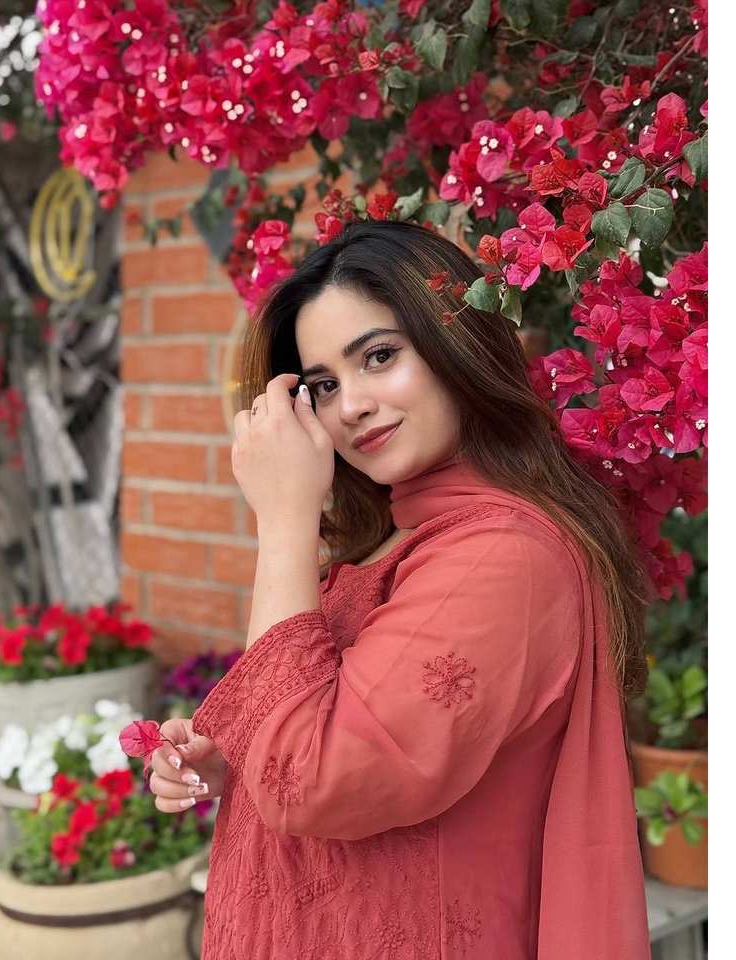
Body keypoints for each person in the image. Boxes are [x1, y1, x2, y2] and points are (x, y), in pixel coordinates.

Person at [148, 220, 653, 959]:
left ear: (457, 345)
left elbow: (308, 779)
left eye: (379, 356)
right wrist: (238, 756)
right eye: (324, 385)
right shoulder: (400, 537)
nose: (350, 405)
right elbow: (342, 737)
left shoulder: (501, 555)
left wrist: (284, 520)